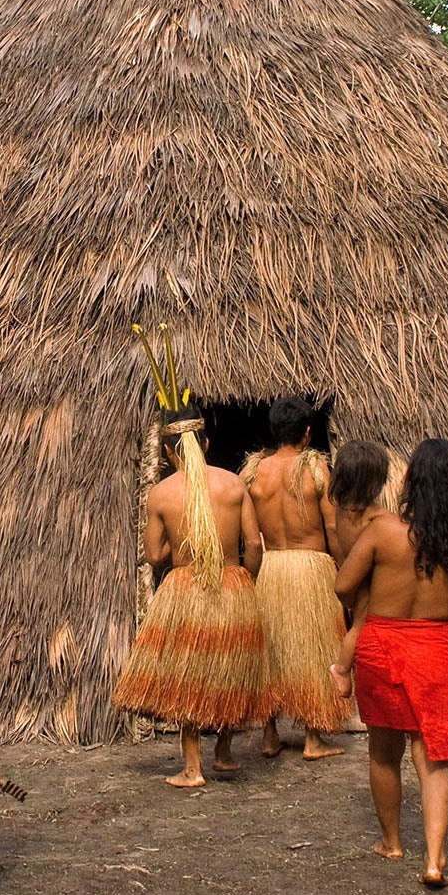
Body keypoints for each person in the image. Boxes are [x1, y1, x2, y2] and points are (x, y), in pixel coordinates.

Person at [112, 331, 266, 787]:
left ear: (166, 451)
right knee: (227, 668)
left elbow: (156, 553)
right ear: (206, 442)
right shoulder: (233, 484)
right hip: (232, 582)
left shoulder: (161, 493)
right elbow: (254, 544)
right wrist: (246, 579)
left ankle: (192, 767)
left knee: (188, 673)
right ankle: (224, 753)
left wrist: (159, 557)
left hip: (184, 588)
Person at [335, 439, 448, 889]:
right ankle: (435, 858)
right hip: (437, 647)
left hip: (383, 642)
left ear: (413, 483)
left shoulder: (385, 533)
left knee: (383, 749)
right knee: (434, 755)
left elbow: (343, 585)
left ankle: (392, 841)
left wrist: (368, 599)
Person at [246, 396, 346, 759]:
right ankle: (313, 739)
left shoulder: (254, 472)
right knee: (316, 648)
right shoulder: (316, 468)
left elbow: (249, 532)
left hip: (271, 567)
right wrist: (342, 567)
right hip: (311, 568)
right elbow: (332, 526)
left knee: (271, 651)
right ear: (307, 433)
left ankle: (270, 735)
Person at [328, 444, 406, 700]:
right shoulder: (376, 517)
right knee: (360, 626)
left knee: (359, 627)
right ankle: (341, 668)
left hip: (357, 574)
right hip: (371, 580)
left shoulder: (342, 511)